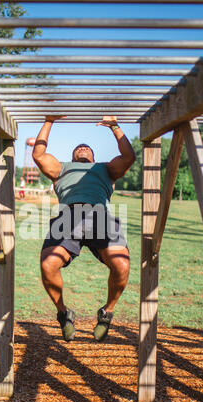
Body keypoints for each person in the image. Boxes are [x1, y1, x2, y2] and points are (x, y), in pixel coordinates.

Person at [32, 115, 135, 342]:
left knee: (121, 265)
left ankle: (107, 313)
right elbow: (38, 155)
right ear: (72, 156)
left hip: (100, 216)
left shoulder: (105, 169)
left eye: (87, 148)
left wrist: (114, 127)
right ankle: (63, 313)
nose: (83, 148)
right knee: (48, 264)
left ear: (93, 156)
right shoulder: (61, 168)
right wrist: (49, 121)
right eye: (79, 147)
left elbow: (129, 156)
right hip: (68, 218)